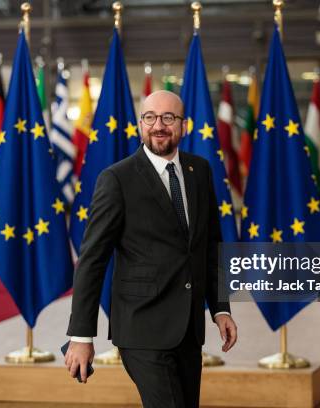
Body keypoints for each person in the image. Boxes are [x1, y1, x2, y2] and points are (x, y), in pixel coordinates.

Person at [65, 90, 237, 408]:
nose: (159, 125)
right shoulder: (116, 179)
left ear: (182, 125)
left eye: (168, 118)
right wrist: (81, 335)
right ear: (140, 124)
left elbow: (211, 246)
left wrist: (221, 308)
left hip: (188, 330)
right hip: (141, 330)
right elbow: (92, 260)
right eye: (150, 117)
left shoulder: (199, 172)